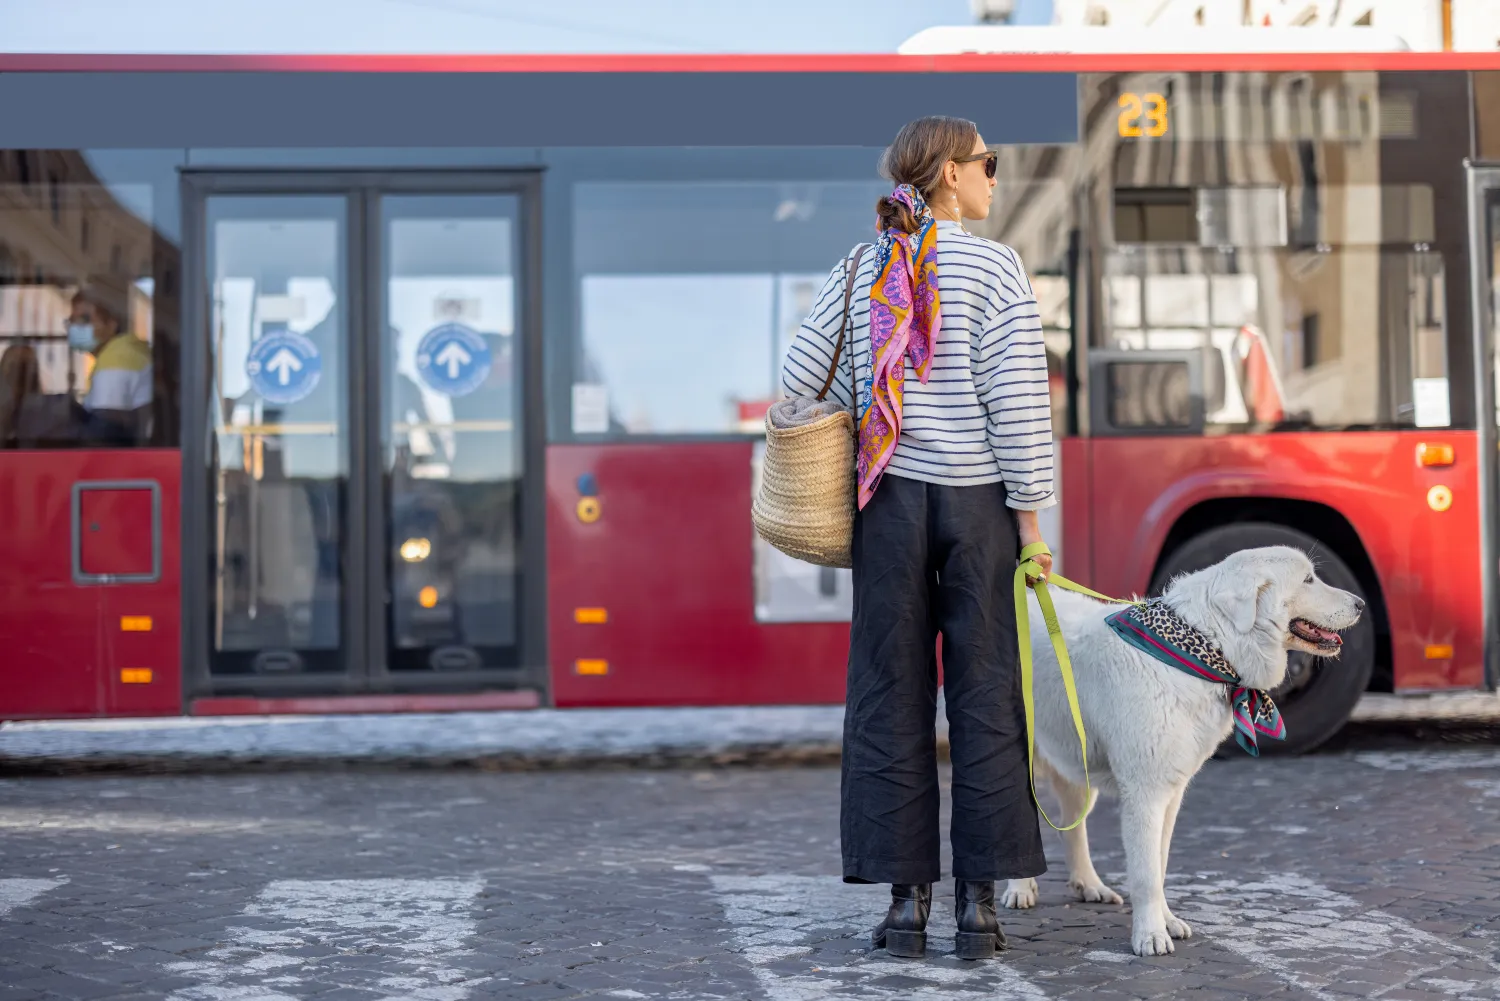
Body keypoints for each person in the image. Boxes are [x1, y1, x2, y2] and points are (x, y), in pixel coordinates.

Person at [780, 116, 1055, 961]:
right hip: (976, 510)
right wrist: (1033, 524)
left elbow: (795, 379)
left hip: (889, 506)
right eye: (988, 164)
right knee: (987, 700)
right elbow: (1017, 407)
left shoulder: (860, 264)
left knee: (887, 700)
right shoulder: (995, 265)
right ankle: (980, 909)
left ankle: (906, 909)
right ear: (948, 176)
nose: (995, 179)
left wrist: (870, 403)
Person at [69, 288, 151, 440]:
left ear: (111, 324)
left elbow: (102, 434)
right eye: (73, 321)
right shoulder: (127, 351)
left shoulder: (117, 359)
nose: (76, 327)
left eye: (86, 319)